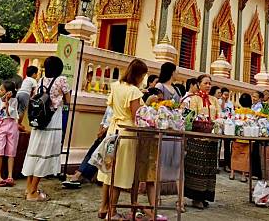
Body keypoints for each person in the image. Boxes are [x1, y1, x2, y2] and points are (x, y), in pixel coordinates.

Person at [97, 59, 155, 220]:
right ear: (139, 75)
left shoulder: (116, 86)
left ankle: (103, 207)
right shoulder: (134, 92)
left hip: (113, 131)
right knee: (119, 173)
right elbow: (137, 116)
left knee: (109, 171)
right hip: (127, 133)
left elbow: (110, 107)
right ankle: (112, 211)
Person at [22, 56, 71, 201]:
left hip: (39, 120)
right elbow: (68, 100)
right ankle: (32, 193)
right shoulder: (61, 80)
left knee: (35, 152)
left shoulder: (41, 80)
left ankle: (29, 188)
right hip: (52, 119)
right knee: (44, 154)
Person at [185, 74, 221, 210]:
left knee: (209, 169)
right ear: (199, 84)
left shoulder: (214, 100)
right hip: (198, 138)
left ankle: (205, 195)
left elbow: (219, 114)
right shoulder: (193, 99)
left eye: (209, 83)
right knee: (197, 168)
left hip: (211, 137)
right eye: (205, 83)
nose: (208, 85)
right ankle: (196, 197)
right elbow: (192, 115)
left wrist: (217, 122)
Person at [62, 106, 113, 188]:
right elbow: (105, 117)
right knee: (92, 152)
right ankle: (80, 173)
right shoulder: (111, 101)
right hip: (104, 130)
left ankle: (81, 174)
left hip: (111, 131)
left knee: (96, 154)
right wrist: (101, 129)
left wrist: (104, 130)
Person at [155, 62, 183, 205]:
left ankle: (180, 200)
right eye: (176, 71)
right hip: (164, 126)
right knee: (161, 161)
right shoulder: (159, 87)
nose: (177, 73)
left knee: (177, 163)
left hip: (176, 127)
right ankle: (157, 197)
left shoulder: (176, 89)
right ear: (171, 72)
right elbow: (155, 104)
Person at [230, 93, 252, 182]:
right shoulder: (252, 112)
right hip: (247, 137)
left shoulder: (237, 112)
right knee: (245, 156)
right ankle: (243, 175)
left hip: (237, 136)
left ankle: (232, 173)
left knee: (234, 155)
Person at [220, 87, 235, 172]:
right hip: (221, 123)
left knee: (227, 145)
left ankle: (227, 164)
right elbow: (221, 110)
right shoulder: (218, 101)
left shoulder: (230, 103)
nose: (226, 96)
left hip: (228, 125)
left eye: (227, 95)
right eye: (225, 94)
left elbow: (232, 113)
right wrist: (222, 101)